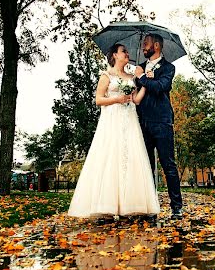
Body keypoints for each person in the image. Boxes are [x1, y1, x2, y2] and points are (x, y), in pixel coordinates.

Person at [68, 43, 160, 219]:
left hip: (130, 120)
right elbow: (98, 100)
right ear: (114, 56)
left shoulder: (132, 77)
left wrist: (146, 83)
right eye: (123, 51)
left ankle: (131, 206)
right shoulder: (106, 75)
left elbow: (136, 100)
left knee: (130, 158)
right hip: (111, 120)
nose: (127, 53)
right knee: (110, 158)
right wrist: (117, 99)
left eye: (126, 51)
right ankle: (106, 207)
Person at [134, 33, 183, 218]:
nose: (143, 47)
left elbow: (161, 87)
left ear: (156, 45)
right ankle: (150, 207)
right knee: (146, 166)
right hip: (142, 122)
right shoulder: (139, 67)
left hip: (162, 122)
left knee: (168, 165)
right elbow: (136, 91)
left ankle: (176, 207)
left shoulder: (169, 68)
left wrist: (144, 78)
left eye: (145, 44)